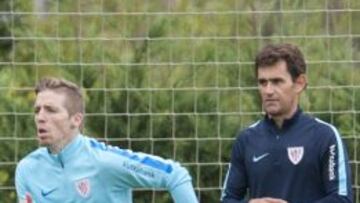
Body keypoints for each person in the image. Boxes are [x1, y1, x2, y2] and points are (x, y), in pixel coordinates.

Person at [15, 77, 198, 203]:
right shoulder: (27, 169)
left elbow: (174, 174)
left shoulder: (104, 161)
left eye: (51, 110)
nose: (40, 117)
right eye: (37, 110)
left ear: (76, 120)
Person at [221, 43, 353, 203]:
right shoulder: (246, 139)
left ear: (299, 83)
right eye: (263, 82)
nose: (268, 91)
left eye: (277, 81)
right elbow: (229, 198)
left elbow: (342, 198)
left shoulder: (325, 136)